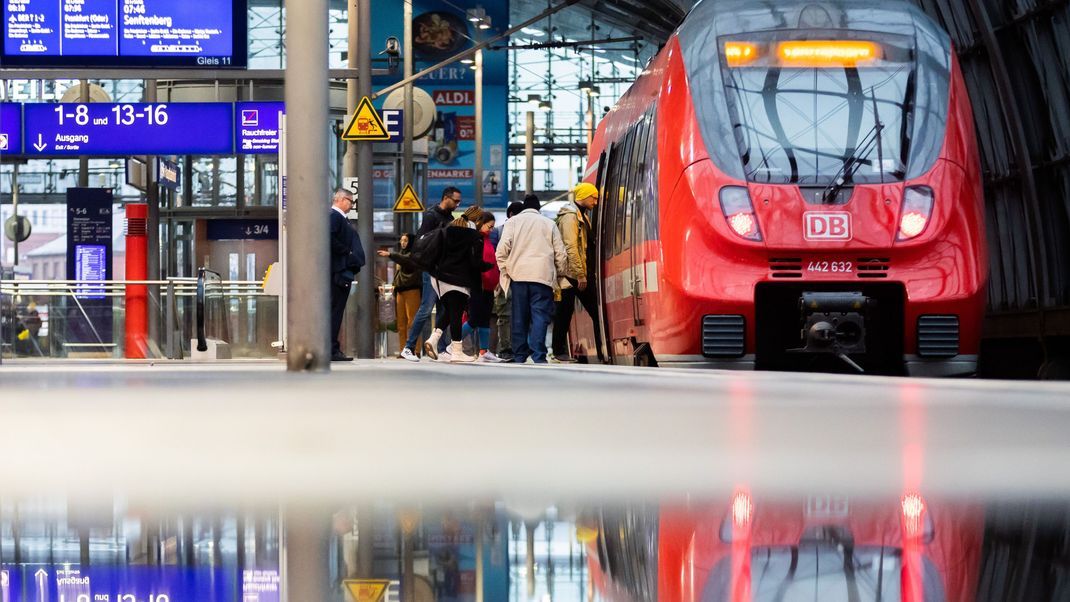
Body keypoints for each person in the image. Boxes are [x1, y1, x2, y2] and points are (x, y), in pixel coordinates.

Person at [495, 193, 568, 364]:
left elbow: (501, 251)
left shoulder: (512, 222)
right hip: (542, 277)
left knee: (519, 317)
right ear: (538, 208)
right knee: (540, 317)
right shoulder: (549, 224)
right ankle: (539, 355)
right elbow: (561, 254)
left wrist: (506, 270)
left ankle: (520, 355)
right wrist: (560, 273)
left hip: (518, 277)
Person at [400, 187, 463, 362]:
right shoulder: (431, 216)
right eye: (456, 201)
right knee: (426, 308)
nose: (458, 204)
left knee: (444, 309)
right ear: (446, 198)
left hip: (442, 270)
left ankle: (441, 349)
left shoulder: (450, 218)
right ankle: (409, 347)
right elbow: (422, 242)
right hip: (431, 269)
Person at [423, 206, 489, 363]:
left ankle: (433, 338)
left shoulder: (450, 228)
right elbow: (474, 262)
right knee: (456, 313)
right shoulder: (472, 235)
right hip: (456, 279)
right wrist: (489, 266)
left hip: (439, 278)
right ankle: (457, 351)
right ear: (478, 220)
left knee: (451, 310)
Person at [552, 182, 601, 362]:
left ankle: (560, 351)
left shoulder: (581, 216)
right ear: (584, 197)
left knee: (567, 311)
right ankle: (558, 351)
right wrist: (581, 273)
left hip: (575, 273)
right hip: (570, 274)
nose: (596, 201)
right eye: (593, 197)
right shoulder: (571, 217)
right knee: (565, 312)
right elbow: (571, 246)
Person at [461, 211, 504, 362]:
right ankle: (454, 343)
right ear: (480, 222)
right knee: (475, 318)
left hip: (488, 286)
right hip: (477, 284)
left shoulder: (486, 240)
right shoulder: (475, 239)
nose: (491, 230)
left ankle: (484, 351)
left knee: (484, 318)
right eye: (489, 226)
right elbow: (476, 263)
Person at [329, 187, 366, 362]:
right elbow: (328, 238)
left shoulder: (339, 219)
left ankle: (332, 348)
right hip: (338, 272)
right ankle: (331, 349)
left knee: (335, 311)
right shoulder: (334, 217)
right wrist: (347, 253)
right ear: (341, 200)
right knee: (335, 311)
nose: (351, 205)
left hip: (339, 270)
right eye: (350, 201)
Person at [490, 201, 525, 362]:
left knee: (521, 314)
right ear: (511, 215)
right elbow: (494, 258)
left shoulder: (525, 231)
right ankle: (505, 349)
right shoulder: (497, 232)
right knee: (504, 315)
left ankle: (519, 348)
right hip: (504, 280)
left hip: (522, 278)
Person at [377, 232, 422, 357]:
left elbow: (407, 260)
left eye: (406, 241)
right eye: (401, 240)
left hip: (412, 290)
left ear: (411, 242)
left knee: (412, 322)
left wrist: (390, 254)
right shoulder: (401, 255)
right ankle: (403, 349)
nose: (403, 243)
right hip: (400, 291)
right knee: (401, 323)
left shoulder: (413, 256)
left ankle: (415, 349)